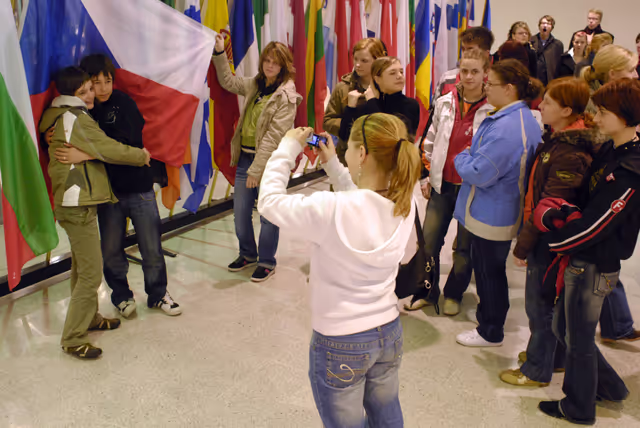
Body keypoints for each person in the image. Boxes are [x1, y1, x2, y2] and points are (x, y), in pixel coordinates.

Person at [257, 113, 421, 427]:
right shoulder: (404, 202)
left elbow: (269, 202)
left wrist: (287, 149)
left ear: (362, 155)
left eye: (349, 147)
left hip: (340, 341)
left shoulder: (332, 208)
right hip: (388, 331)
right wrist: (332, 163)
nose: (344, 151)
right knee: (387, 413)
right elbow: (362, 202)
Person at [537, 78, 640, 425]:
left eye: (604, 111)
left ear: (625, 117)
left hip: (595, 264)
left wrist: (555, 239)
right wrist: (563, 213)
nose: (595, 117)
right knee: (563, 330)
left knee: (577, 339)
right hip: (582, 257)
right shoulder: (613, 148)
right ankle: (609, 387)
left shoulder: (631, 168)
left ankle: (578, 407)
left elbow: (599, 224)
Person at [54, 54, 181, 318]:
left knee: (151, 246)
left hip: (139, 189)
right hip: (107, 194)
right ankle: (121, 296)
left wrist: (88, 153)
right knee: (111, 250)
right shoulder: (83, 113)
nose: (101, 89)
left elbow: (127, 145)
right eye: (95, 83)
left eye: (107, 81)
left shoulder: (123, 103)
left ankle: (158, 294)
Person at [500, 77, 605, 387]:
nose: (540, 106)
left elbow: (551, 205)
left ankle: (536, 369)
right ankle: (551, 357)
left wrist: (523, 245)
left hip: (549, 239)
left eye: (547, 102)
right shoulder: (559, 138)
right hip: (546, 237)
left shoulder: (570, 151)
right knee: (545, 303)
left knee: (539, 305)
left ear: (567, 110)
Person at [40, 67, 150, 359]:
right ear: (70, 95)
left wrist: (88, 153)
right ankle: (73, 338)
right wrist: (141, 155)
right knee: (90, 273)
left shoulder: (61, 116)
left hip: (75, 202)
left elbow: (95, 150)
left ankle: (88, 319)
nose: (92, 94)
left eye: (91, 88)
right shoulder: (75, 119)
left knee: (82, 268)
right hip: (77, 204)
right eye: (84, 91)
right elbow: (110, 149)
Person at [454, 59, 543, 347]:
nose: (485, 88)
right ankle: (489, 322)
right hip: (495, 207)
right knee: (488, 269)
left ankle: (490, 330)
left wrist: (461, 157)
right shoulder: (515, 117)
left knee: (489, 272)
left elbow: (479, 171)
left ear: (508, 88)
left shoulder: (507, 128)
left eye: (490, 84)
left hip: (493, 212)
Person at [407, 49, 493, 315]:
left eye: (474, 71)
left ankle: (454, 293)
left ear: (485, 74)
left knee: (465, 248)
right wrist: (427, 176)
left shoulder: (493, 108)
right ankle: (426, 290)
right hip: (441, 185)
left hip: (473, 189)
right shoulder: (445, 101)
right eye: (464, 70)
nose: (468, 76)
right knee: (429, 241)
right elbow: (430, 140)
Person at [212, 34, 302, 282]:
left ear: (284, 66)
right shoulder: (255, 84)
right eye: (267, 61)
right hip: (245, 158)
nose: (270, 66)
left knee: (268, 214)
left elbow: (274, 136)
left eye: (275, 62)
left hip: (270, 163)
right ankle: (247, 254)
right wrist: (220, 53)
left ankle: (266, 261)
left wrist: (257, 170)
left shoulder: (287, 96)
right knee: (240, 213)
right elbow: (228, 82)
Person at [324, 38, 386, 165]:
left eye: (364, 61)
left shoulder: (387, 88)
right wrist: (352, 126)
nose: (357, 64)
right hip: (347, 158)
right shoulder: (343, 88)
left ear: (377, 60)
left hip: (378, 160)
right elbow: (328, 121)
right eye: (355, 59)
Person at [339, 56, 420, 141]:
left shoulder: (411, 105)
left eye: (401, 72)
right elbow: (346, 137)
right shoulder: (366, 104)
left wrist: (372, 102)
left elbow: (387, 136)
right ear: (377, 79)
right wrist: (350, 107)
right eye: (392, 73)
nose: (399, 76)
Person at [433, 26, 495, 102]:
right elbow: (434, 110)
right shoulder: (447, 78)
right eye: (463, 49)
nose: (465, 53)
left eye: (470, 49)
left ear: (486, 54)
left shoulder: (497, 81)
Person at [581, 45, 639, 115]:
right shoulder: (594, 106)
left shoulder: (621, 96)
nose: (636, 75)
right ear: (612, 74)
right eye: (631, 70)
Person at [531, 15, 564, 86]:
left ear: (552, 27)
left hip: (549, 80)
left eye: (548, 24)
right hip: (533, 79)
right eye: (543, 23)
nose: (545, 26)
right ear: (539, 26)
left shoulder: (557, 45)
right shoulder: (531, 41)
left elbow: (558, 64)